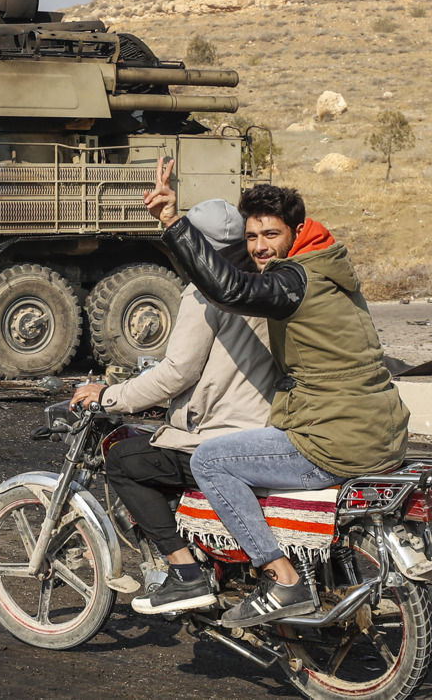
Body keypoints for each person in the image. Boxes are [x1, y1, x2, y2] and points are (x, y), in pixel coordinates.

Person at [144, 162, 410, 627]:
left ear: (297, 231)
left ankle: (281, 578)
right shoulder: (329, 268)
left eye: (270, 234)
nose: (261, 246)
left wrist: (171, 222)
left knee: (210, 459)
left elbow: (228, 288)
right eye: (252, 238)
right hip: (382, 429)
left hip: (335, 438)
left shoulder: (294, 281)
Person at [70, 199, 278, 614]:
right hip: (266, 429)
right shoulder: (266, 280)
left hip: (223, 437)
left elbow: (177, 372)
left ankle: (186, 574)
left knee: (126, 462)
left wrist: (109, 396)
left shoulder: (205, 290)